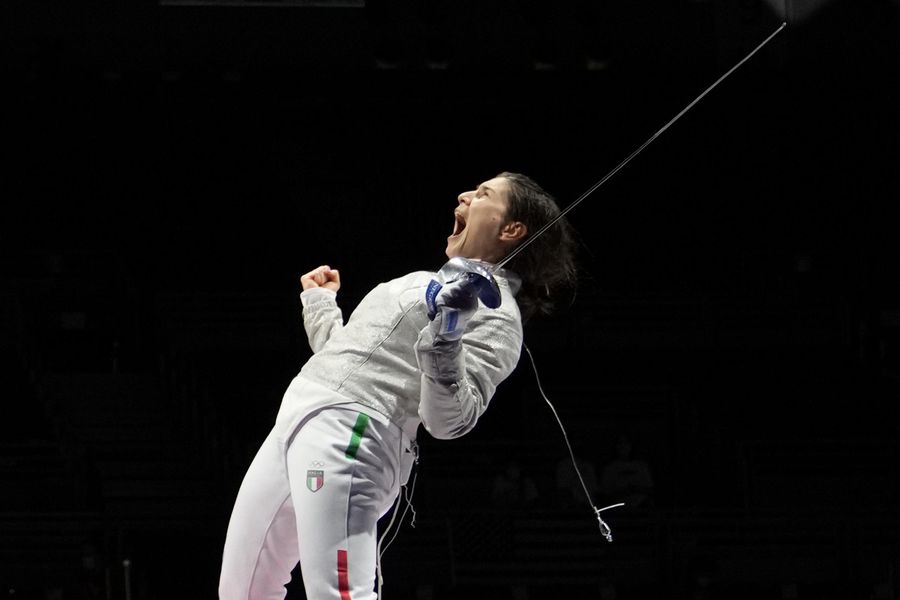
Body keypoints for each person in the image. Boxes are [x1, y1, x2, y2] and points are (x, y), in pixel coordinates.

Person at [218, 172, 577, 600]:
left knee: (339, 594)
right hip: (298, 418)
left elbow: (450, 421)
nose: (464, 195)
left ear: (511, 230)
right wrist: (321, 308)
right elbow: (352, 363)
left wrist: (447, 333)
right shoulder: (426, 280)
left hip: (355, 433)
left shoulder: (497, 315)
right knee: (243, 589)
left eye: (483, 194)